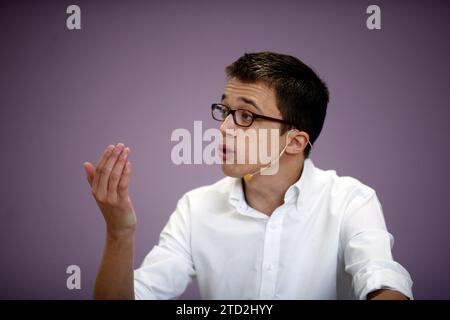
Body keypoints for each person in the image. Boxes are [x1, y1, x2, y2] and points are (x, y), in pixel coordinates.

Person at [83, 51, 413, 300]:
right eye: (225, 111)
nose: (224, 127)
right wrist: (119, 233)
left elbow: (382, 279)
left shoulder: (350, 201)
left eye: (245, 115)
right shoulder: (196, 208)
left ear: (295, 141)